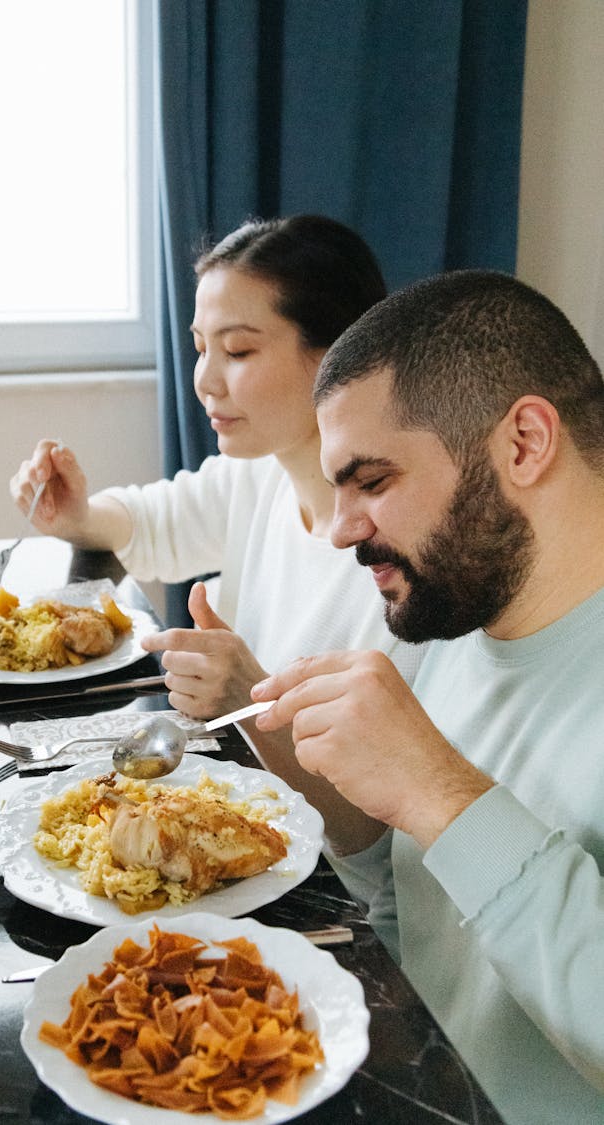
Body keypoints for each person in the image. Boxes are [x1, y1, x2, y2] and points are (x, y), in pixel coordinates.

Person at [252, 269, 604, 1124]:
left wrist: (439, 791)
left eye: (372, 481)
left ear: (524, 442)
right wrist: (342, 803)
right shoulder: (453, 617)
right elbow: (422, 919)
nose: (339, 528)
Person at [10, 214, 426, 852]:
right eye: (201, 346)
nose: (204, 380)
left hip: (331, 878)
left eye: (238, 351)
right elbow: (155, 521)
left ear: (339, 354)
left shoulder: (397, 558)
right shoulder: (260, 476)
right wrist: (77, 517)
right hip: (251, 817)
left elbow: (369, 836)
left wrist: (252, 699)